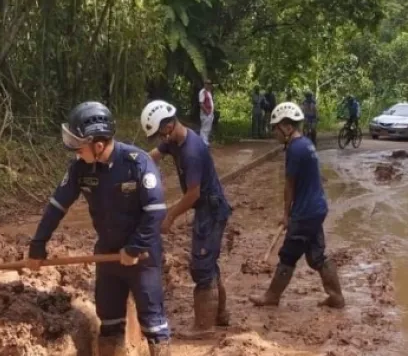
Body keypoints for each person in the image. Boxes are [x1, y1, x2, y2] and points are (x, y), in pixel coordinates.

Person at [28, 101, 171, 356]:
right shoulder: (81, 169)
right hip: (107, 254)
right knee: (108, 317)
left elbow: (156, 211)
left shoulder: (137, 162)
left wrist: (134, 247)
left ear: (99, 143)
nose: (75, 152)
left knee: (152, 318)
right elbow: (57, 205)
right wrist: (39, 243)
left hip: (143, 256)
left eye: (80, 146)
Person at [142, 100, 232, 338]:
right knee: (208, 261)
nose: (161, 138)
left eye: (160, 132)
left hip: (211, 210)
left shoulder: (191, 151)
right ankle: (221, 315)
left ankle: (204, 327)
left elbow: (193, 194)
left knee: (202, 266)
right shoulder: (174, 141)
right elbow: (151, 157)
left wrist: (169, 216)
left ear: (169, 125)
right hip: (206, 208)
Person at [251, 102, 344, 310]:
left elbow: (289, 185)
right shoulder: (307, 144)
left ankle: (272, 296)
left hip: (305, 212)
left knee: (288, 254)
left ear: (286, 127)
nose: (274, 132)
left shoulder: (295, 149)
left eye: (275, 128)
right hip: (316, 208)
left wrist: (286, 215)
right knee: (316, 256)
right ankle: (336, 297)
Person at [198, 80, 215, 145]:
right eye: (207, 83)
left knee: (208, 129)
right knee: (204, 129)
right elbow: (201, 104)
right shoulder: (202, 92)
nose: (208, 85)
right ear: (204, 84)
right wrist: (207, 112)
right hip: (205, 114)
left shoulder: (208, 92)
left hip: (210, 114)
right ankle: (203, 143)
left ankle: (205, 142)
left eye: (210, 84)